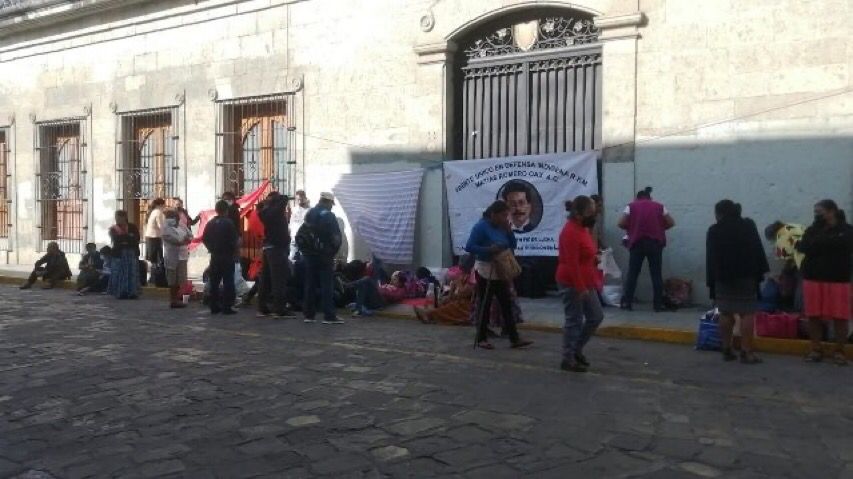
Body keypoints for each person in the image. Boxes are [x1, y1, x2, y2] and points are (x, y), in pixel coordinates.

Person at [706, 200, 769, 364]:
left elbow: (711, 259)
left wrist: (712, 281)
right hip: (746, 276)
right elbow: (757, 250)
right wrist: (759, 273)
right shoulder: (748, 226)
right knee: (747, 312)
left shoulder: (714, 230)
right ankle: (747, 351)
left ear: (719, 213)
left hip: (723, 278)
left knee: (725, 312)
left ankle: (727, 349)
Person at [465, 200, 532, 350]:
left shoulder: (503, 226)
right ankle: (482, 337)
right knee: (485, 304)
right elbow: (470, 247)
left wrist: (509, 231)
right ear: (493, 214)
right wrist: (489, 249)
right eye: (502, 215)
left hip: (501, 268)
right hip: (486, 269)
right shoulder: (481, 227)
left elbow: (512, 244)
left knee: (506, 303)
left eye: (506, 215)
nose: (504, 218)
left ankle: (514, 338)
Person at [797, 199, 852, 365]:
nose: (817, 215)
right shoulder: (813, 229)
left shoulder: (847, 230)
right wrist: (823, 241)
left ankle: (840, 351)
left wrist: (818, 244)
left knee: (840, 317)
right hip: (813, 278)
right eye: (815, 212)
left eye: (819, 212)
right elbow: (802, 246)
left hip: (838, 279)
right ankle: (816, 349)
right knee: (813, 315)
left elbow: (844, 245)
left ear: (831, 211)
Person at [556, 196, 604, 372]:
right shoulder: (570, 232)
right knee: (574, 320)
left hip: (586, 281)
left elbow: (585, 253)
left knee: (596, 316)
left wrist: (594, 258)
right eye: (590, 213)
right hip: (572, 282)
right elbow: (571, 263)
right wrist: (580, 286)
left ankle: (576, 348)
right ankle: (568, 358)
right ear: (578, 214)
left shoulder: (583, 229)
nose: (594, 216)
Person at [618, 186, 675, 311]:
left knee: (633, 273)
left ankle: (628, 302)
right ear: (650, 198)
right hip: (655, 243)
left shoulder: (631, 206)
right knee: (656, 274)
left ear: (637, 198)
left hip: (637, 243)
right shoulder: (659, 206)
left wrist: (633, 228)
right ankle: (658, 305)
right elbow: (671, 222)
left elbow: (621, 223)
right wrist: (658, 228)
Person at [300, 192, 344, 324]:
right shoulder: (329, 216)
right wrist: (333, 252)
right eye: (331, 204)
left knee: (310, 284)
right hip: (324, 255)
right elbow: (336, 238)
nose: (332, 207)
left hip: (309, 255)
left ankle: (308, 314)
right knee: (327, 285)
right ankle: (329, 315)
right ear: (327, 202)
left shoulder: (310, 213)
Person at [257, 192, 295, 318]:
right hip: (276, 248)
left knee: (266, 279)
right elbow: (284, 198)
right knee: (279, 279)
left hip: (268, 248)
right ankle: (279, 308)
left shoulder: (264, 212)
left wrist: (270, 201)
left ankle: (262, 307)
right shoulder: (274, 212)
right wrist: (275, 198)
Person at [203, 200, 240, 315]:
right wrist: (235, 252)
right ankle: (227, 306)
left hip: (215, 256)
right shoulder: (229, 223)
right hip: (227, 255)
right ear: (226, 210)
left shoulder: (211, 223)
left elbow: (204, 238)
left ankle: (214, 305)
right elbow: (234, 240)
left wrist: (211, 248)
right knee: (228, 280)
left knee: (214, 281)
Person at [161, 209, 193, 309]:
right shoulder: (165, 228)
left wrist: (185, 240)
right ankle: (173, 300)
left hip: (182, 255)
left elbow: (190, 236)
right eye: (174, 217)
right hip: (171, 256)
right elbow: (176, 240)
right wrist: (184, 240)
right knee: (172, 280)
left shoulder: (181, 225)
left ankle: (178, 299)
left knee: (181, 279)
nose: (176, 219)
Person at [107, 210, 141, 299]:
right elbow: (116, 240)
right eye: (116, 218)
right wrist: (128, 237)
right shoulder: (113, 229)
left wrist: (125, 239)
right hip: (118, 254)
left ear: (124, 217)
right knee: (119, 273)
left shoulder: (132, 227)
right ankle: (121, 292)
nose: (117, 219)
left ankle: (132, 292)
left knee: (132, 273)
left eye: (119, 217)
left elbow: (136, 238)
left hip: (131, 254)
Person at [144, 198, 167, 286]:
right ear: (160, 205)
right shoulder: (158, 212)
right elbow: (161, 226)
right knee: (157, 259)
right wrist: (166, 236)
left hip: (151, 237)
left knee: (153, 259)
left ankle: (153, 277)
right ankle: (155, 277)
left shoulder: (153, 211)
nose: (164, 207)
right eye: (164, 205)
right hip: (155, 237)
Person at [289, 190, 311, 261]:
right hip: (294, 238)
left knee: (303, 258)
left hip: (305, 238)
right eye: (297, 199)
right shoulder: (294, 209)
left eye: (301, 199)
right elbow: (291, 222)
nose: (299, 201)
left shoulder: (309, 210)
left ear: (305, 198)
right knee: (291, 257)